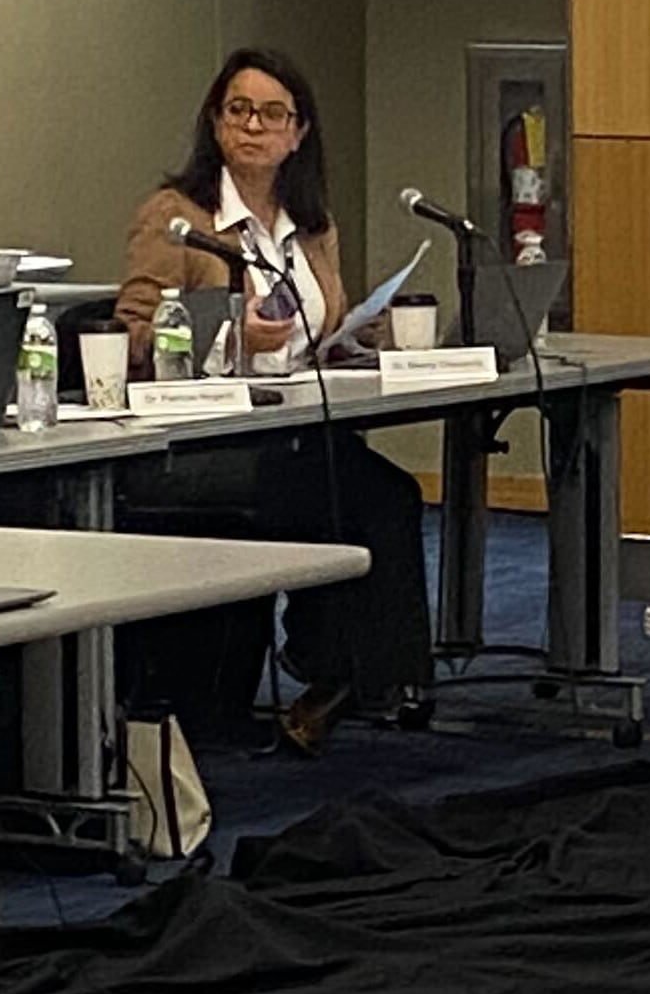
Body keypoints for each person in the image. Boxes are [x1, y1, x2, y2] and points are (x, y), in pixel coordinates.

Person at [111, 49, 431, 753]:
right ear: (216, 123)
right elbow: (131, 335)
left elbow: (315, 330)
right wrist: (234, 340)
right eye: (238, 110)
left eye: (272, 114)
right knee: (338, 490)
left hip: (289, 428)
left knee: (387, 492)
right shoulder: (177, 217)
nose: (253, 126)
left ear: (299, 133)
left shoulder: (310, 225)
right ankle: (340, 671)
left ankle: (358, 675)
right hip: (199, 445)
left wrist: (353, 337)